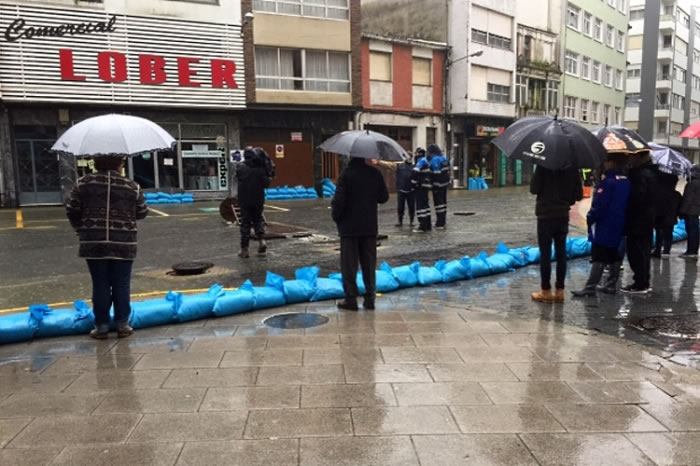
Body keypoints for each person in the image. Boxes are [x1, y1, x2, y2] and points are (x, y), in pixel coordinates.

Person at [66, 156, 147, 340]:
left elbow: (71, 209)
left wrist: (82, 228)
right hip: (124, 242)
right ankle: (123, 325)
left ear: (96, 163)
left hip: (93, 242)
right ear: (119, 164)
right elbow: (142, 212)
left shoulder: (83, 184)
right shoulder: (132, 186)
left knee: (100, 283)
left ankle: (101, 327)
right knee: (121, 283)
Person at [332, 157, 389, 311]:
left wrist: (336, 217)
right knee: (369, 264)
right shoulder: (374, 173)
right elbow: (383, 198)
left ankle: (350, 299)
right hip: (369, 227)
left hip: (349, 228)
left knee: (349, 265)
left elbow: (339, 201)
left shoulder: (346, 174)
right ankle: (370, 298)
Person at [572, 155, 631, 297]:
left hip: (604, 224)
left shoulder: (607, 183)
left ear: (611, 162)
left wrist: (590, 218)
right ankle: (611, 284)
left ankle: (590, 287)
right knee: (614, 255)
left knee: (599, 255)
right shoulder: (626, 181)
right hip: (619, 223)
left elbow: (599, 207)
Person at [529, 166, 583, 303]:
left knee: (545, 254)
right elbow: (578, 195)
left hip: (545, 215)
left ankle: (545, 291)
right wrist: (565, 200)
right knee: (561, 254)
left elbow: (533, 189)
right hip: (562, 215)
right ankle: (560, 291)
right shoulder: (572, 168)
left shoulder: (543, 166)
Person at [621, 150, 658, 294]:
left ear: (638, 157)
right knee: (644, 251)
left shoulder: (638, 175)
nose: (629, 158)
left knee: (636, 252)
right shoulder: (651, 173)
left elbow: (637, 199)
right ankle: (643, 281)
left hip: (637, 219)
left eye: (632, 156)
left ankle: (640, 283)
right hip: (647, 218)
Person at [236, 147, 272, 258]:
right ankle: (262, 241)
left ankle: (244, 249)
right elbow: (266, 184)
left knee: (245, 224)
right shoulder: (260, 169)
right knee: (258, 220)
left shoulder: (241, 168)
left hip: (244, 200)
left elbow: (238, 177)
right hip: (258, 199)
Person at [651, 170, 681, 258]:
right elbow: (679, 206)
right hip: (671, 217)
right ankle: (666, 250)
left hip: (660, 216)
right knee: (669, 234)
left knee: (659, 232)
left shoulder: (659, 194)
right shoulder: (676, 194)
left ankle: (658, 249)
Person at [680, 164, 700, 258]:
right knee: (695, 231)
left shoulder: (692, 184)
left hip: (690, 211)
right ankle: (694, 251)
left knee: (691, 231)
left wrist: (682, 211)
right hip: (696, 210)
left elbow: (688, 199)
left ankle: (690, 251)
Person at [428, 144, 450, 229]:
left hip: (438, 185)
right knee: (443, 204)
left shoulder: (435, 160)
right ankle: (443, 221)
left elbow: (436, 174)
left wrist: (435, 186)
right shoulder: (444, 158)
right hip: (444, 184)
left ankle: (439, 223)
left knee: (438, 204)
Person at [411, 147, 432, 232]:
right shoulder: (426, 160)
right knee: (426, 207)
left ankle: (422, 226)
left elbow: (415, 172)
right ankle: (427, 225)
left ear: (419, 154)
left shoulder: (421, 161)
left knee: (420, 207)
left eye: (416, 153)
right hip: (425, 187)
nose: (415, 155)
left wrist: (413, 184)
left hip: (420, 187)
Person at [395, 153, 415, 227]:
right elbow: (389, 165)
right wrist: (379, 162)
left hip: (411, 190)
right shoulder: (400, 166)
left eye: (410, 157)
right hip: (401, 190)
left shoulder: (414, 167)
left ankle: (411, 221)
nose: (409, 159)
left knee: (411, 206)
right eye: (407, 157)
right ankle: (400, 221)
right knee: (400, 207)